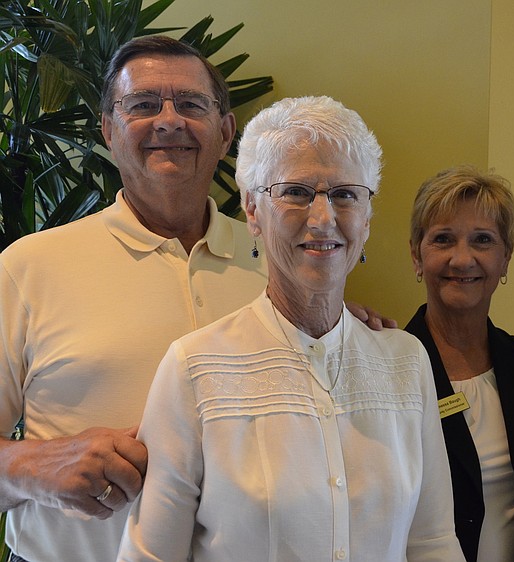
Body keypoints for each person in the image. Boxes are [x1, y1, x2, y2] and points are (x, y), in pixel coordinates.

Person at [116, 96, 465, 562]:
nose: (323, 219)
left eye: (345, 194)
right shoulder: (194, 369)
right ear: (252, 211)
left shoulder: (406, 361)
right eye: (296, 192)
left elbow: (433, 543)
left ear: (367, 214)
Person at [0, 36, 268, 562]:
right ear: (107, 129)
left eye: (191, 105)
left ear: (226, 131)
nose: (168, 121)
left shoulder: (278, 264)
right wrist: (31, 468)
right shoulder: (27, 266)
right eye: (143, 105)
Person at [404, 166, 514, 562]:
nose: (462, 258)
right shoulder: (390, 368)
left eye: (482, 240)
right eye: (443, 239)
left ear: (505, 259)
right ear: (417, 255)